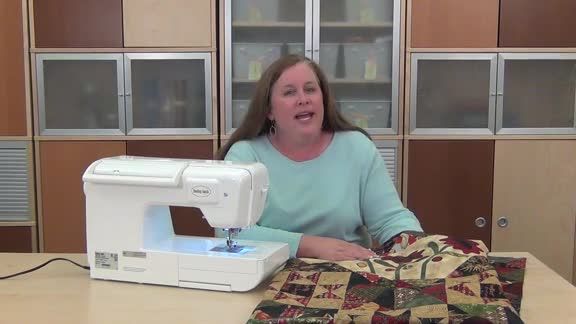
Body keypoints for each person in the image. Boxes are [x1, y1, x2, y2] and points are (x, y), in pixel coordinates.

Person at [216, 54, 422, 261]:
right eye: (289, 92)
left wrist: (419, 247)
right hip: (267, 275)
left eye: (310, 89)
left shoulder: (357, 147)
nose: (303, 99)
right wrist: (309, 246)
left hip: (350, 275)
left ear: (323, 98)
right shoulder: (244, 155)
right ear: (269, 110)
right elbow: (227, 230)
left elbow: (391, 218)